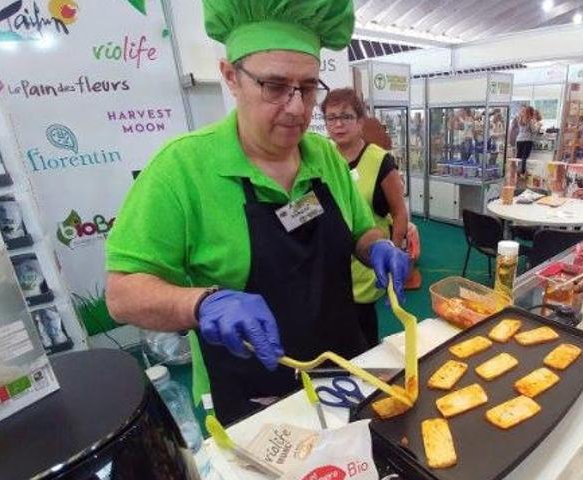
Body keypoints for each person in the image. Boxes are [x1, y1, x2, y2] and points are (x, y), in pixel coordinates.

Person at [104, 0, 409, 425]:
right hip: (251, 397)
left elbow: (360, 229)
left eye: (307, 87)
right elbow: (122, 294)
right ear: (231, 76)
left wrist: (377, 247)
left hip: (343, 370)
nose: (297, 108)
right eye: (274, 86)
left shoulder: (323, 155)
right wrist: (202, 303)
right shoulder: (182, 169)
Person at [322, 88, 409, 346]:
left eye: (346, 117)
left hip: (368, 261)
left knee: (363, 338)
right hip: (331, 266)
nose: (338, 124)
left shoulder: (380, 160)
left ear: (361, 121)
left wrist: (392, 250)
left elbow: (399, 212)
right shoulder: (320, 158)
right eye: (331, 117)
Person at [510, 105, 540, 177]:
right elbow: (533, 130)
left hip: (519, 139)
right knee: (525, 157)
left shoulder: (520, 119)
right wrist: (538, 126)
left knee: (519, 156)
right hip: (527, 140)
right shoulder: (529, 121)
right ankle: (523, 172)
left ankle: (517, 171)